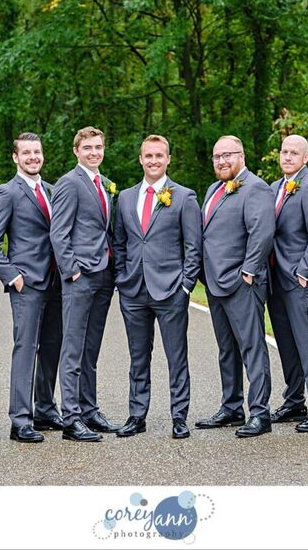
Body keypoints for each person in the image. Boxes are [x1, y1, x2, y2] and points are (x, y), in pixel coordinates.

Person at [112, 135, 202, 439]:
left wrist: (186, 285)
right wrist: (122, 278)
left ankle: (179, 416)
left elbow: (193, 245)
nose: (153, 161)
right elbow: (119, 242)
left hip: (171, 289)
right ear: (141, 159)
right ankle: (137, 415)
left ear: (168, 159)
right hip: (133, 290)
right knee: (138, 357)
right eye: (148, 156)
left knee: (177, 356)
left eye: (159, 156)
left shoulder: (184, 196)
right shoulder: (125, 197)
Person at [0, 132, 63, 444]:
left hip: (56, 281)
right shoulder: (7, 192)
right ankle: (20, 420)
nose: (33, 157)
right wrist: (12, 275)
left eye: (37, 152)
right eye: (26, 153)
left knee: (52, 348)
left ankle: (45, 409)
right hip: (26, 284)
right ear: (15, 157)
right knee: (26, 349)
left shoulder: (53, 191)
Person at [196, 135, 275, 438]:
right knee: (226, 350)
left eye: (228, 155)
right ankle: (231, 407)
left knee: (252, 347)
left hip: (243, 283)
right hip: (215, 284)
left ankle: (260, 413)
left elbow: (262, 232)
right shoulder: (213, 189)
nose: (222, 161)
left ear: (241, 156)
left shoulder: (255, 188)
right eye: (217, 156)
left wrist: (249, 272)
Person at [49, 126, 121, 442]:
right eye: (88, 148)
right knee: (73, 349)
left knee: (91, 348)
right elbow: (58, 232)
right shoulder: (69, 183)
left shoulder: (105, 184)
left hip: (103, 275)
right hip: (81, 277)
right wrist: (72, 270)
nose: (94, 152)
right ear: (77, 151)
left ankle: (90, 410)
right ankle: (72, 418)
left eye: (98, 147)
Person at [267, 135, 308, 432]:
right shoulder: (274, 188)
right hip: (275, 279)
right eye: (284, 152)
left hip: (299, 279)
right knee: (286, 342)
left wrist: (305, 271)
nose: (288, 157)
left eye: (294, 153)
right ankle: (294, 401)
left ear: (305, 158)